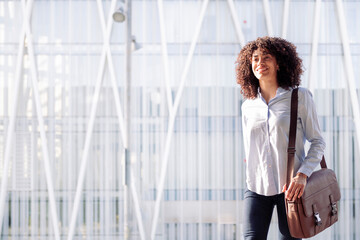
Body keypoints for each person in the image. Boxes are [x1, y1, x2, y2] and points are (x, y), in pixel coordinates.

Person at [235, 36, 325, 240]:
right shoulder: (248, 105)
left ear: (279, 63)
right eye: (255, 59)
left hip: (292, 191)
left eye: (266, 57)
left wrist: (302, 175)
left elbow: (318, 141)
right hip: (256, 187)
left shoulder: (299, 97)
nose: (260, 63)